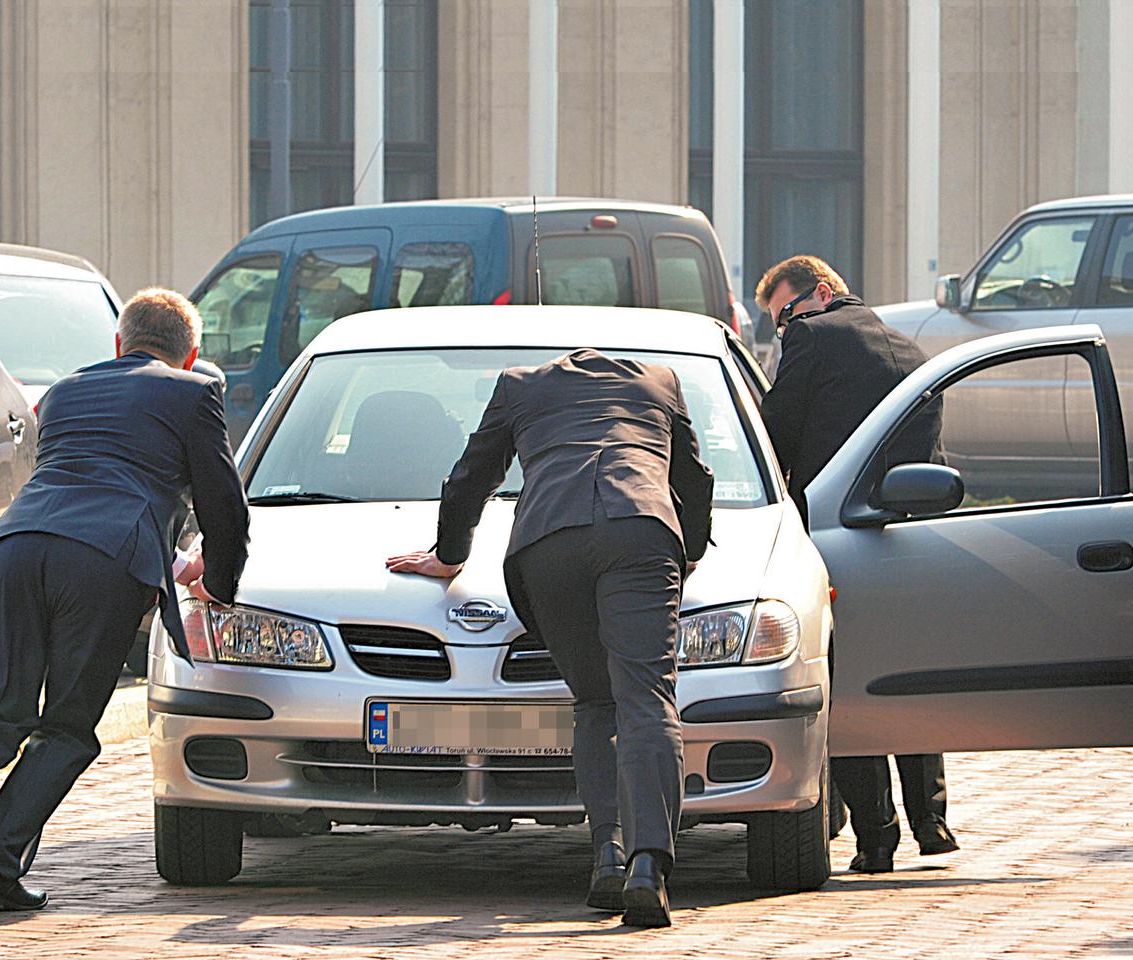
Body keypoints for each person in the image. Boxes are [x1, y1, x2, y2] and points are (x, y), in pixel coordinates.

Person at [0, 289, 249, 918]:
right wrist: (222, 583)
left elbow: (90, 480)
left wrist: (174, 557)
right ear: (191, 358)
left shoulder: (67, 392)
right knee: (67, 729)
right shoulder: (192, 394)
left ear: (118, 345)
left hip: (16, 547)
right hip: (102, 564)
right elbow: (224, 506)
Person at [386, 349, 713, 928]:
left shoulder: (518, 386)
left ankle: (608, 858)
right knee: (647, 700)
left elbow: (471, 478)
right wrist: (684, 554)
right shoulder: (661, 381)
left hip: (548, 542)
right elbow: (693, 478)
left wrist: (449, 556)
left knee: (593, 700)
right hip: (640, 533)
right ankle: (647, 868)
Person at [755, 255, 958, 874]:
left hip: (840, 536)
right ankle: (932, 819)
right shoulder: (909, 348)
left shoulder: (813, 337)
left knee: (844, 684)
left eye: (783, 314)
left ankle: (876, 837)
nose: (782, 329)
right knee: (908, 678)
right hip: (916, 536)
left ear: (820, 294)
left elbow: (774, 435)